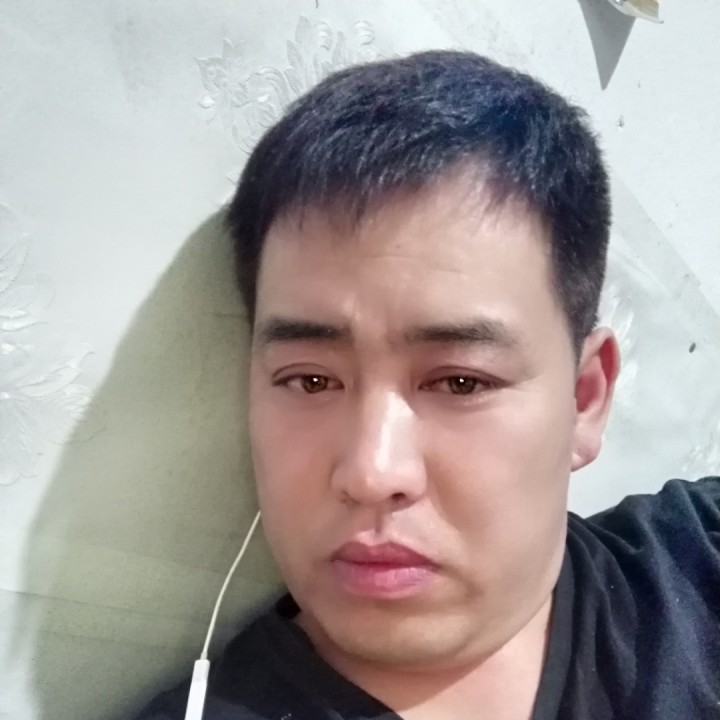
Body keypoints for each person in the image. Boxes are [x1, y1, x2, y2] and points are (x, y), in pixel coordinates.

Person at [135, 50, 720, 719]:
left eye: (462, 382)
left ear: (585, 399)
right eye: (311, 379)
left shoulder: (700, 561)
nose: (372, 473)